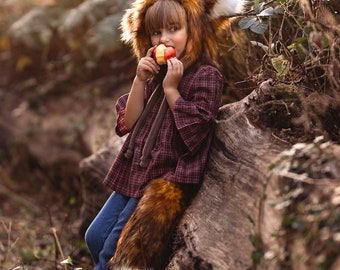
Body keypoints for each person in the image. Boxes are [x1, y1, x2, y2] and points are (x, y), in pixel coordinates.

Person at [85, 0, 244, 268]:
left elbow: (195, 134)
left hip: (165, 175)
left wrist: (172, 91)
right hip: (137, 168)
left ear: (193, 30)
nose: (164, 38)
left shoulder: (206, 76)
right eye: (157, 32)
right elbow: (130, 122)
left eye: (174, 28)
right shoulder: (157, 72)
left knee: (113, 247)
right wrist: (139, 80)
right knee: (94, 236)